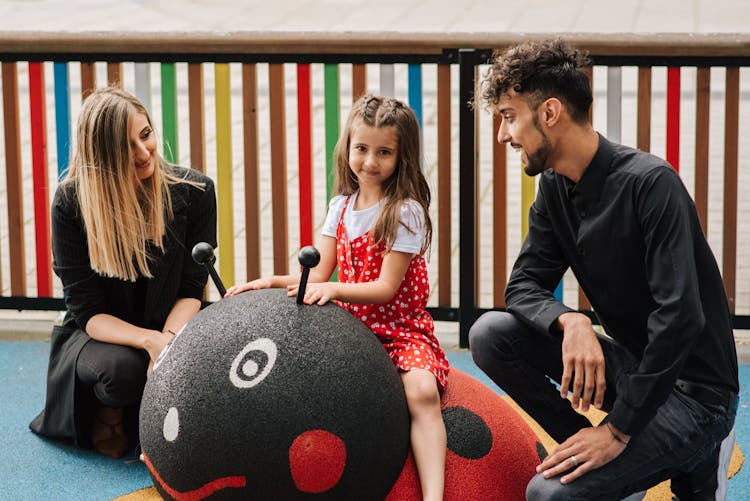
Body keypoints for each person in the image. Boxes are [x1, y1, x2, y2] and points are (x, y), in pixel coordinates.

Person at [468, 39, 739, 500]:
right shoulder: (555, 188)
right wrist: (572, 320)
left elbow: (680, 319)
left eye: (510, 116)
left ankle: (640, 451)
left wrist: (615, 432)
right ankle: (594, 455)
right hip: (637, 374)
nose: (503, 135)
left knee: (548, 495)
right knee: (490, 334)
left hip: (697, 397)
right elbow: (522, 286)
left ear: (549, 112)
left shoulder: (651, 184)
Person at [226, 94, 449, 500]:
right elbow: (318, 273)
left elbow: (385, 289)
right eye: (361, 148)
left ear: (402, 157)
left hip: (399, 330)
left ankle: (434, 495)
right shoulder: (341, 207)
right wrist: (270, 282)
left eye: (384, 152)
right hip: (351, 327)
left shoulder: (405, 211)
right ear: (347, 147)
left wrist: (332, 290)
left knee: (422, 392)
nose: (369, 161)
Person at [30, 87, 217, 459]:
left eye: (145, 135)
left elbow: (191, 291)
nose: (144, 152)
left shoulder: (196, 192)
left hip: (175, 322)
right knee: (121, 374)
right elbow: (87, 312)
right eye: (126, 146)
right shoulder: (71, 204)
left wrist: (165, 340)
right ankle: (109, 413)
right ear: (102, 157)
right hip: (101, 334)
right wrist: (149, 342)